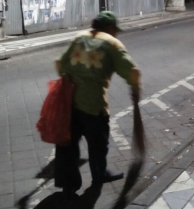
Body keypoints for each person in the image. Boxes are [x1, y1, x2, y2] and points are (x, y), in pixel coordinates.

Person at [54, 11, 141, 194]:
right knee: (98, 146)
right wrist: (135, 90)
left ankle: (70, 185)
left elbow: (60, 65)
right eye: (115, 29)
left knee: (69, 145)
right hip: (94, 107)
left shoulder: (78, 38)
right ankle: (99, 175)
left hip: (69, 104)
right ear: (110, 28)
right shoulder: (112, 44)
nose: (116, 33)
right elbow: (131, 71)